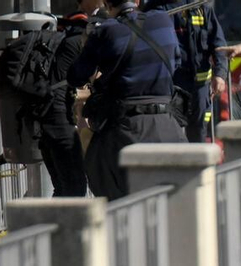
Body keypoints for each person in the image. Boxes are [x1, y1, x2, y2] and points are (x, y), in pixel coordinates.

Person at [68, 0, 183, 198]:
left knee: (117, 202)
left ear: (106, 3)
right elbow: (177, 61)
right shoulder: (163, 20)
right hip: (169, 128)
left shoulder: (105, 31)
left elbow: (75, 76)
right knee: (174, 200)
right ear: (137, 1)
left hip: (124, 133)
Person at [140, 0, 225, 141]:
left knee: (199, 134)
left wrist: (220, 74)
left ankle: (199, 163)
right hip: (171, 86)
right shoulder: (155, 10)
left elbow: (218, 43)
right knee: (171, 134)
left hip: (200, 87)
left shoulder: (200, 7)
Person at [36, 0, 96, 195]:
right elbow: (91, 82)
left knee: (64, 188)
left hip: (44, 119)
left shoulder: (64, 35)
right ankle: (58, 225)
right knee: (75, 188)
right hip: (59, 121)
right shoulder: (79, 40)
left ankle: (51, 224)